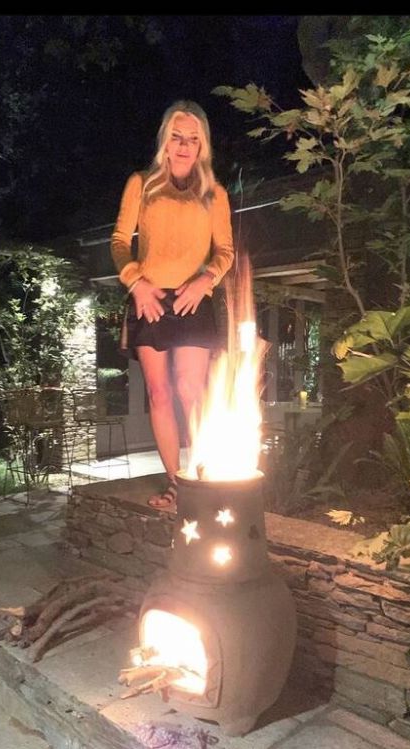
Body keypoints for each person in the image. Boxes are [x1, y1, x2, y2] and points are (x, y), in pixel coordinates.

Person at [111, 100, 235, 509]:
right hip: (148, 297)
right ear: (165, 141)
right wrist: (136, 283)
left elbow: (226, 251)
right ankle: (175, 483)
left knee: (190, 389)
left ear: (202, 145)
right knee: (160, 394)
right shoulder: (141, 184)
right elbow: (119, 241)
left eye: (192, 139)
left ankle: (204, 477)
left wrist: (206, 280)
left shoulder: (214, 194)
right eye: (177, 137)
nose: (184, 146)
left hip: (192, 298)